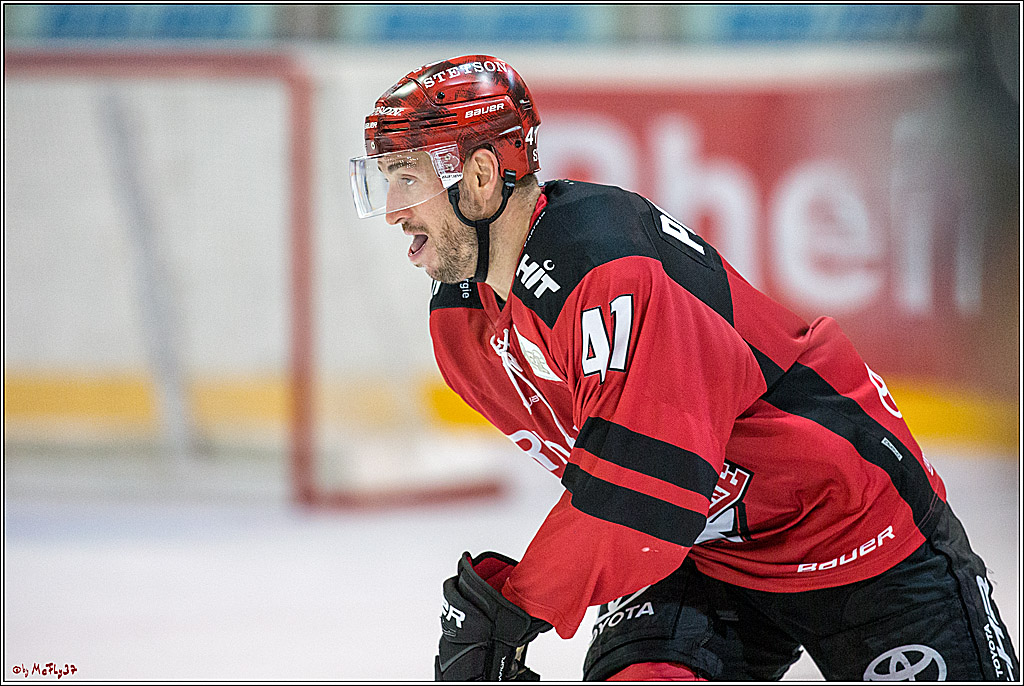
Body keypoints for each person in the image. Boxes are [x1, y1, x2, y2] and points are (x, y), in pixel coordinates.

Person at [348, 54, 1018, 682]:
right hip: (707, 553)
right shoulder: (462, 325)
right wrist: (515, 603)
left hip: (855, 527)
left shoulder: (609, 270)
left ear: (485, 176)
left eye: (408, 177)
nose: (394, 211)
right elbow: (627, 489)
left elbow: (642, 497)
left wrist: (516, 603)